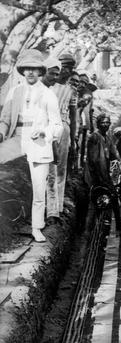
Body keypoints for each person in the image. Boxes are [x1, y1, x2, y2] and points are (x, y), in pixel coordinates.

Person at [0, 49, 63, 242]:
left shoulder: (48, 94)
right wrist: (2, 131)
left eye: (34, 69)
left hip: (39, 141)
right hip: (17, 137)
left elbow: (57, 125)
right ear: (22, 71)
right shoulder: (14, 91)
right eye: (27, 68)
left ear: (40, 72)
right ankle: (7, 224)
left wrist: (45, 132)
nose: (30, 72)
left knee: (38, 187)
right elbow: (5, 119)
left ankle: (37, 227)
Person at [46, 52, 78, 222]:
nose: (66, 72)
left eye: (70, 68)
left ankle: (56, 208)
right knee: (47, 167)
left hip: (63, 127)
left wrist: (73, 138)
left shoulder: (71, 90)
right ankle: (47, 208)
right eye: (64, 67)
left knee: (60, 168)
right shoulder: (47, 87)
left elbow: (74, 117)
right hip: (47, 126)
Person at [86, 114, 121, 232]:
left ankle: (117, 224)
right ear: (98, 124)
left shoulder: (106, 137)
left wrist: (119, 161)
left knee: (112, 197)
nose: (105, 124)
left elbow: (114, 153)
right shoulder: (95, 137)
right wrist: (100, 178)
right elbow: (94, 160)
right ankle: (95, 230)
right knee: (98, 201)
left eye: (107, 122)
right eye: (103, 122)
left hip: (104, 174)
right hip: (96, 175)